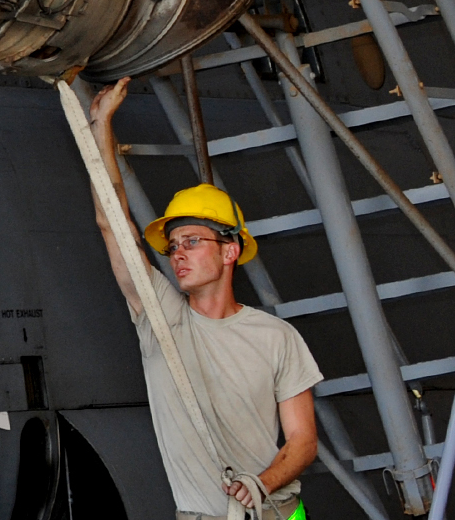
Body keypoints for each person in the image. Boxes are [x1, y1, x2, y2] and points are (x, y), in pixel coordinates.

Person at [88, 77, 321, 520]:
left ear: (229, 250)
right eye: (173, 245)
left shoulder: (276, 337)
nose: (178, 254)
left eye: (192, 241)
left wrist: (261, 484)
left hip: (280, 512)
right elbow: (111, 223)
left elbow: (303, 442)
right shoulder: (160, 319)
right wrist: (101, 131)